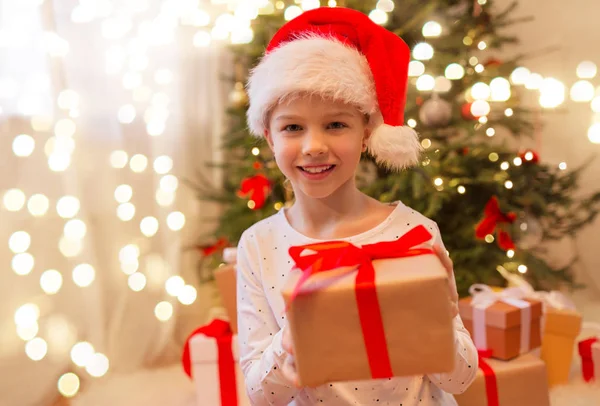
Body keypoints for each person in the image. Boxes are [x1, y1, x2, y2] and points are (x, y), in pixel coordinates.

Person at [236, 6, 478, 406]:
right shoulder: (258, 245)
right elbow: (263, 395)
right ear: (268, 137)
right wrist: (295, 334)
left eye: (336, 124)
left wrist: (439, 318)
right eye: (293, 127)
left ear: (366, 133)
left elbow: (460, 380)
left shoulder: (413, 232)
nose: (314, 146)